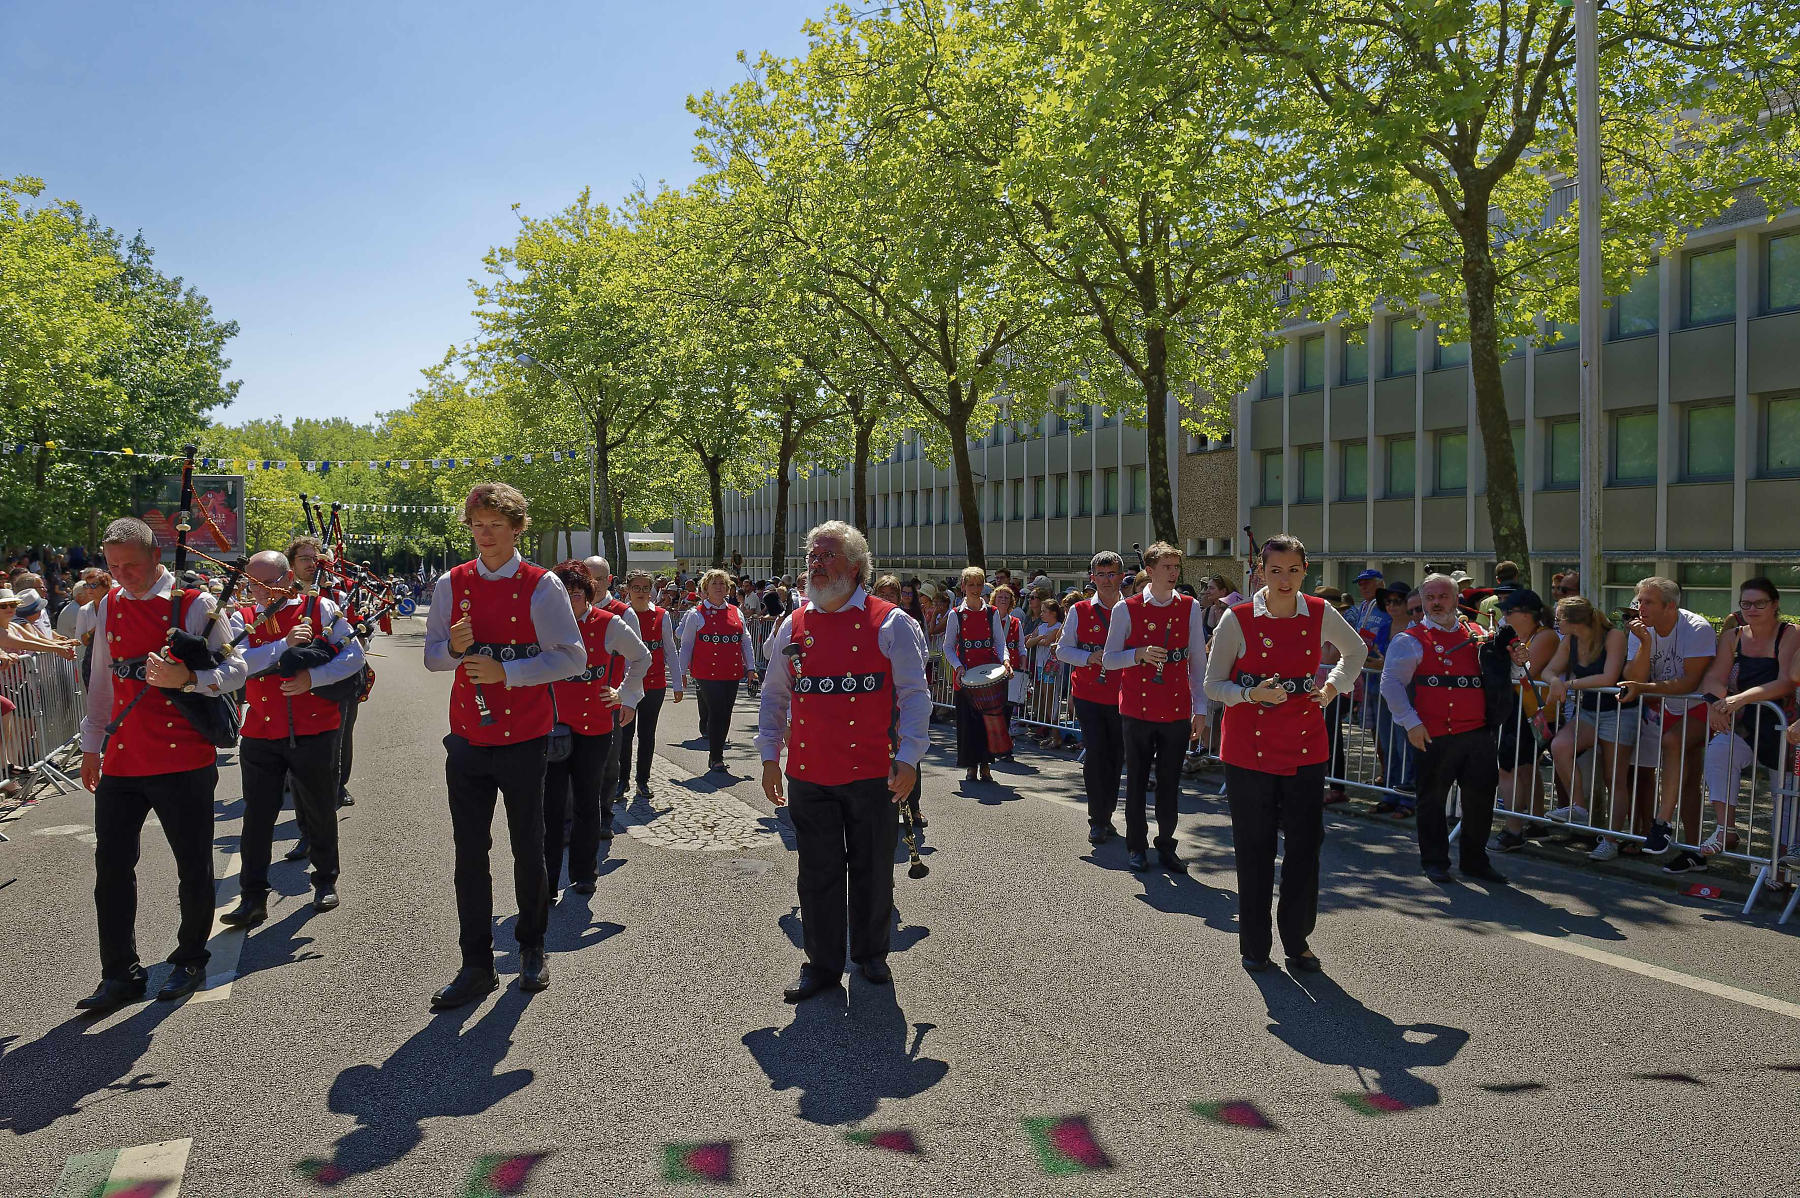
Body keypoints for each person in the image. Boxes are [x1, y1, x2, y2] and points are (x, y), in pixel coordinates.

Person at [75, 517, 249, 1012]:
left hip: (182, 759)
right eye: (114, 567)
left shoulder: (196, 605)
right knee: (111, 868)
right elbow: (103, 682)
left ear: (156, 556)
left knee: (191, 865)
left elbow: (237, 669)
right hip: (124, 758)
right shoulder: (108, 605)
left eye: (132, 565)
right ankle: (120, 973)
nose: (123, 575)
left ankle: (191, 957)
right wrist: (92, 747)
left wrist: (188, 676)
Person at [423, 483, 586, 1010]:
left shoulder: (543, 586)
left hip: (524, 737)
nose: (485, 535)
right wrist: (453, 647)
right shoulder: (452, 583)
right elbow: (431, 657)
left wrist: (507, 671)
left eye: (495, 525)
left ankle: (532, 946)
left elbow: (572, 657)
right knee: (469, 852)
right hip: (468, 735)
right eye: (477, 525)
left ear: (517, 528)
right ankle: (475, 964)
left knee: (528, 845)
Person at [758, 521, 930, 1002]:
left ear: (855, 568)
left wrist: (911, 757)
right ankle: (821, 964)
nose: (816, 562)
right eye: (812, 554)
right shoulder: (791, 625)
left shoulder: (892, 622)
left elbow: (916, 696)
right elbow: (774, 696)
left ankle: (872, 954)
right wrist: (771, 756)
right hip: (809, 772)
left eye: (827, 555)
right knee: (816, 872)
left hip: (872, 771)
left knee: (873, 866)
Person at [1203, 534, 1365, 970]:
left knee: (1305, 846)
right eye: (1275, 570)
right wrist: (1250, 693)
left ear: (1305, 571)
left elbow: (1356, 650)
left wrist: (1333, 687)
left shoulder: (1318, 611)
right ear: (1260, 571)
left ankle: (1297, 939)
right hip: (1247, 750)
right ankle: (1255, 945)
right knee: (1253, 848)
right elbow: (1213, 684)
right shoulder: (1236, 618)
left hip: (1305, 743)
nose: (1285, 578)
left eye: (1294, 570)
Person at [221, 550, 366, 930]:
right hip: (260, 733)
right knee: (256, 817)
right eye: (253, 583)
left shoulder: (322, 608)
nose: (260, 591)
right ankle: (252, 897)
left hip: (314, 728)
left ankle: (325, 881)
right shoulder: (242, 617)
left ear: (287, 579)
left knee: (319, 808)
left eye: (267, 582)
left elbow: (354, 656)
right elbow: (237, 666)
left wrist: (312, 680)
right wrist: (283, 646)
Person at [1379, 573, 1509, 885]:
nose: (1437, 603)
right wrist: (1411, 724)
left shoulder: (1478, 633)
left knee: (1479, 801)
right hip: (1434, 734)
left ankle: (1476, 861)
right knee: (1432, 800)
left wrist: (1514, 657)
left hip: (1478, 733)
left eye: (1443, 596)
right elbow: (1391, 684)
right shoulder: (1410, 640)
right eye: (1430, 598)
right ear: (1422, 602)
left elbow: (1503, 673)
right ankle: (1435, 861)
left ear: (1455, 599)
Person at [1100, 541, 1207, 873]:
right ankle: (1136, 845)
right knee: (1136, 781)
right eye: (1167, 567)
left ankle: (1167, 845)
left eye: (1176, 567)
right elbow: (1108, 659)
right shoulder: (1126, 608)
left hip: (1175, 709)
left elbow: (1198, 660)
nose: (1174, 573)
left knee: (1169, 782)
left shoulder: (1189, 606)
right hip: (1137, 709)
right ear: (1150, 569)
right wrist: (1138, 654)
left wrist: (1200, 707)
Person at [544, 561, 649, 897]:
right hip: (553, 727)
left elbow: (641, 658)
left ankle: (584, 873)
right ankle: (546, 880)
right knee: (551, 802)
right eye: (564, 594)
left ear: (588, 593)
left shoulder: (609, 624)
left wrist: (626, 695)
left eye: (577, 594)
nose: (571, 601)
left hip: (595, 726)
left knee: (588, 801)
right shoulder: (544, 624)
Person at [1688, 578, 1798, 872]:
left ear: (1774, 605)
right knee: (1719, 751)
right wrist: (1715, 703)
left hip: (1784, 725)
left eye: (1760, 603)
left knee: (1784, 795)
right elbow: (1715, 677)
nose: (1752, 609)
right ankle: (1726, 830)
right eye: (1746, 603)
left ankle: (1781, 866)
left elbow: (1787, 680)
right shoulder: (1733, 636)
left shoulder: (1790, 633)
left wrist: (1739, 699)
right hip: (1747, 724)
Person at [1617, 576, 1716, 865]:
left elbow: (1689, 683)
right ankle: (1694, 850)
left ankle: (1662, 823)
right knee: (1687, 778)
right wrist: (1646, 642)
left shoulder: (1697, 628)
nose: (1640, 607)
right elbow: (1633, 676)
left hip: (1703, 703)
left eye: (1648, 602)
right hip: (1669, 703)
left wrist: (1644, 688)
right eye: (1639, 601)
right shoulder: (1639, 629)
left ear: (1670, 607)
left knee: (1673, 742)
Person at [1541, 595, 1635, 860]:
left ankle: (1611, 840)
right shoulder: (1569, 640)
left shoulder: (1613, 636)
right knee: (1559, 745)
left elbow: (1608, 677)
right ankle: (1578, 806)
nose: (1555, 623)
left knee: (1613, 777)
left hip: (1618, 713)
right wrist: (1554, 682)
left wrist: (1567, 685)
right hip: (1589, 712)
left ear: (1572, 620)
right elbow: (1549, 671)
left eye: (1558, 618)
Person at [1060, 554, 1127, 841]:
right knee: (1097, 755)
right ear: (1092, 578)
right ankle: (1096, 819)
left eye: (1112, 573)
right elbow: (1063, 650)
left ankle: (1107, 814)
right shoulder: (1079, 609)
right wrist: (1089, 658)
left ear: (1121, 576)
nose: (1107, 579)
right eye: (1101, 574)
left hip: (1124, 696)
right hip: (1088, 694)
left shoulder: (1134, 609)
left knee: (1115, 758)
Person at [1491, 590, 1560, 853]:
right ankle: (1536, 822)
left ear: (1527, 614)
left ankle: (1513, 829)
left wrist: (1505, 652)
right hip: (1518, 708)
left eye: (1509, 611)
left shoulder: (1545, 636)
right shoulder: (1523, 637)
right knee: (1525, 768)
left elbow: (1526, 672)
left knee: (1511, 768)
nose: (1504, 615)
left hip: (1534, 712)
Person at [677, 568, 759, 772]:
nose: (719, 587)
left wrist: (751, 668)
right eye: (714, 583)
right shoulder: (696, 614)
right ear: (705, 588)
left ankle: (717, 751)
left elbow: (745, 641)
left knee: (726, 712)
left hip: (730, 672)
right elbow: (686, 644)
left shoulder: (736, 611)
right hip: (706, 672)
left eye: (722, 584)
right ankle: (716, 756)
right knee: (716, 710)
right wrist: (681, 673)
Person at [944, 566, 1011, 784]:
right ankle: (971, 766)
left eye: (978, 584)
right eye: (970, 584)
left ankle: (986, 765)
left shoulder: (992, 612)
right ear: (963, 586)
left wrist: (1006, 661)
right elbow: (948, 647)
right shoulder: (956, 615)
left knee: (989, 722)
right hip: (966, 677)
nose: (975, 589)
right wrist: (958, 666)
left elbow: (1000, 642)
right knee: (968, 723)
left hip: (989, 675)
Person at [621, 568, 681, 799]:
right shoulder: (621, 616)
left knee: (647, 734)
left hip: (654, 684)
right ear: (627, 589)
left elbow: (670, 650)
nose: (641, 592)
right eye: (636, 587)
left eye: (646, 588)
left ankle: (642, 780)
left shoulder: (661, 615)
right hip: (627, 686)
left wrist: (677, 683)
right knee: (625, 735)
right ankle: (622, 780)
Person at [583, 555, 638, 797]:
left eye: (600, 579)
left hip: (610, 699)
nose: (594, 584)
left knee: (609, 757)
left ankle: (604, 814)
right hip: (575, 698)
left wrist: (628, 698)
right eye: (588, 579)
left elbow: (637, 660)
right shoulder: (569, 609)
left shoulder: (624, 614)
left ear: (610, 580)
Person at [1477, 561, 1524, 629]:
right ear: (1516, 577)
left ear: (1497, 579)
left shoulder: (1486, 603)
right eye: (1500, 598)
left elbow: (1483, 629)